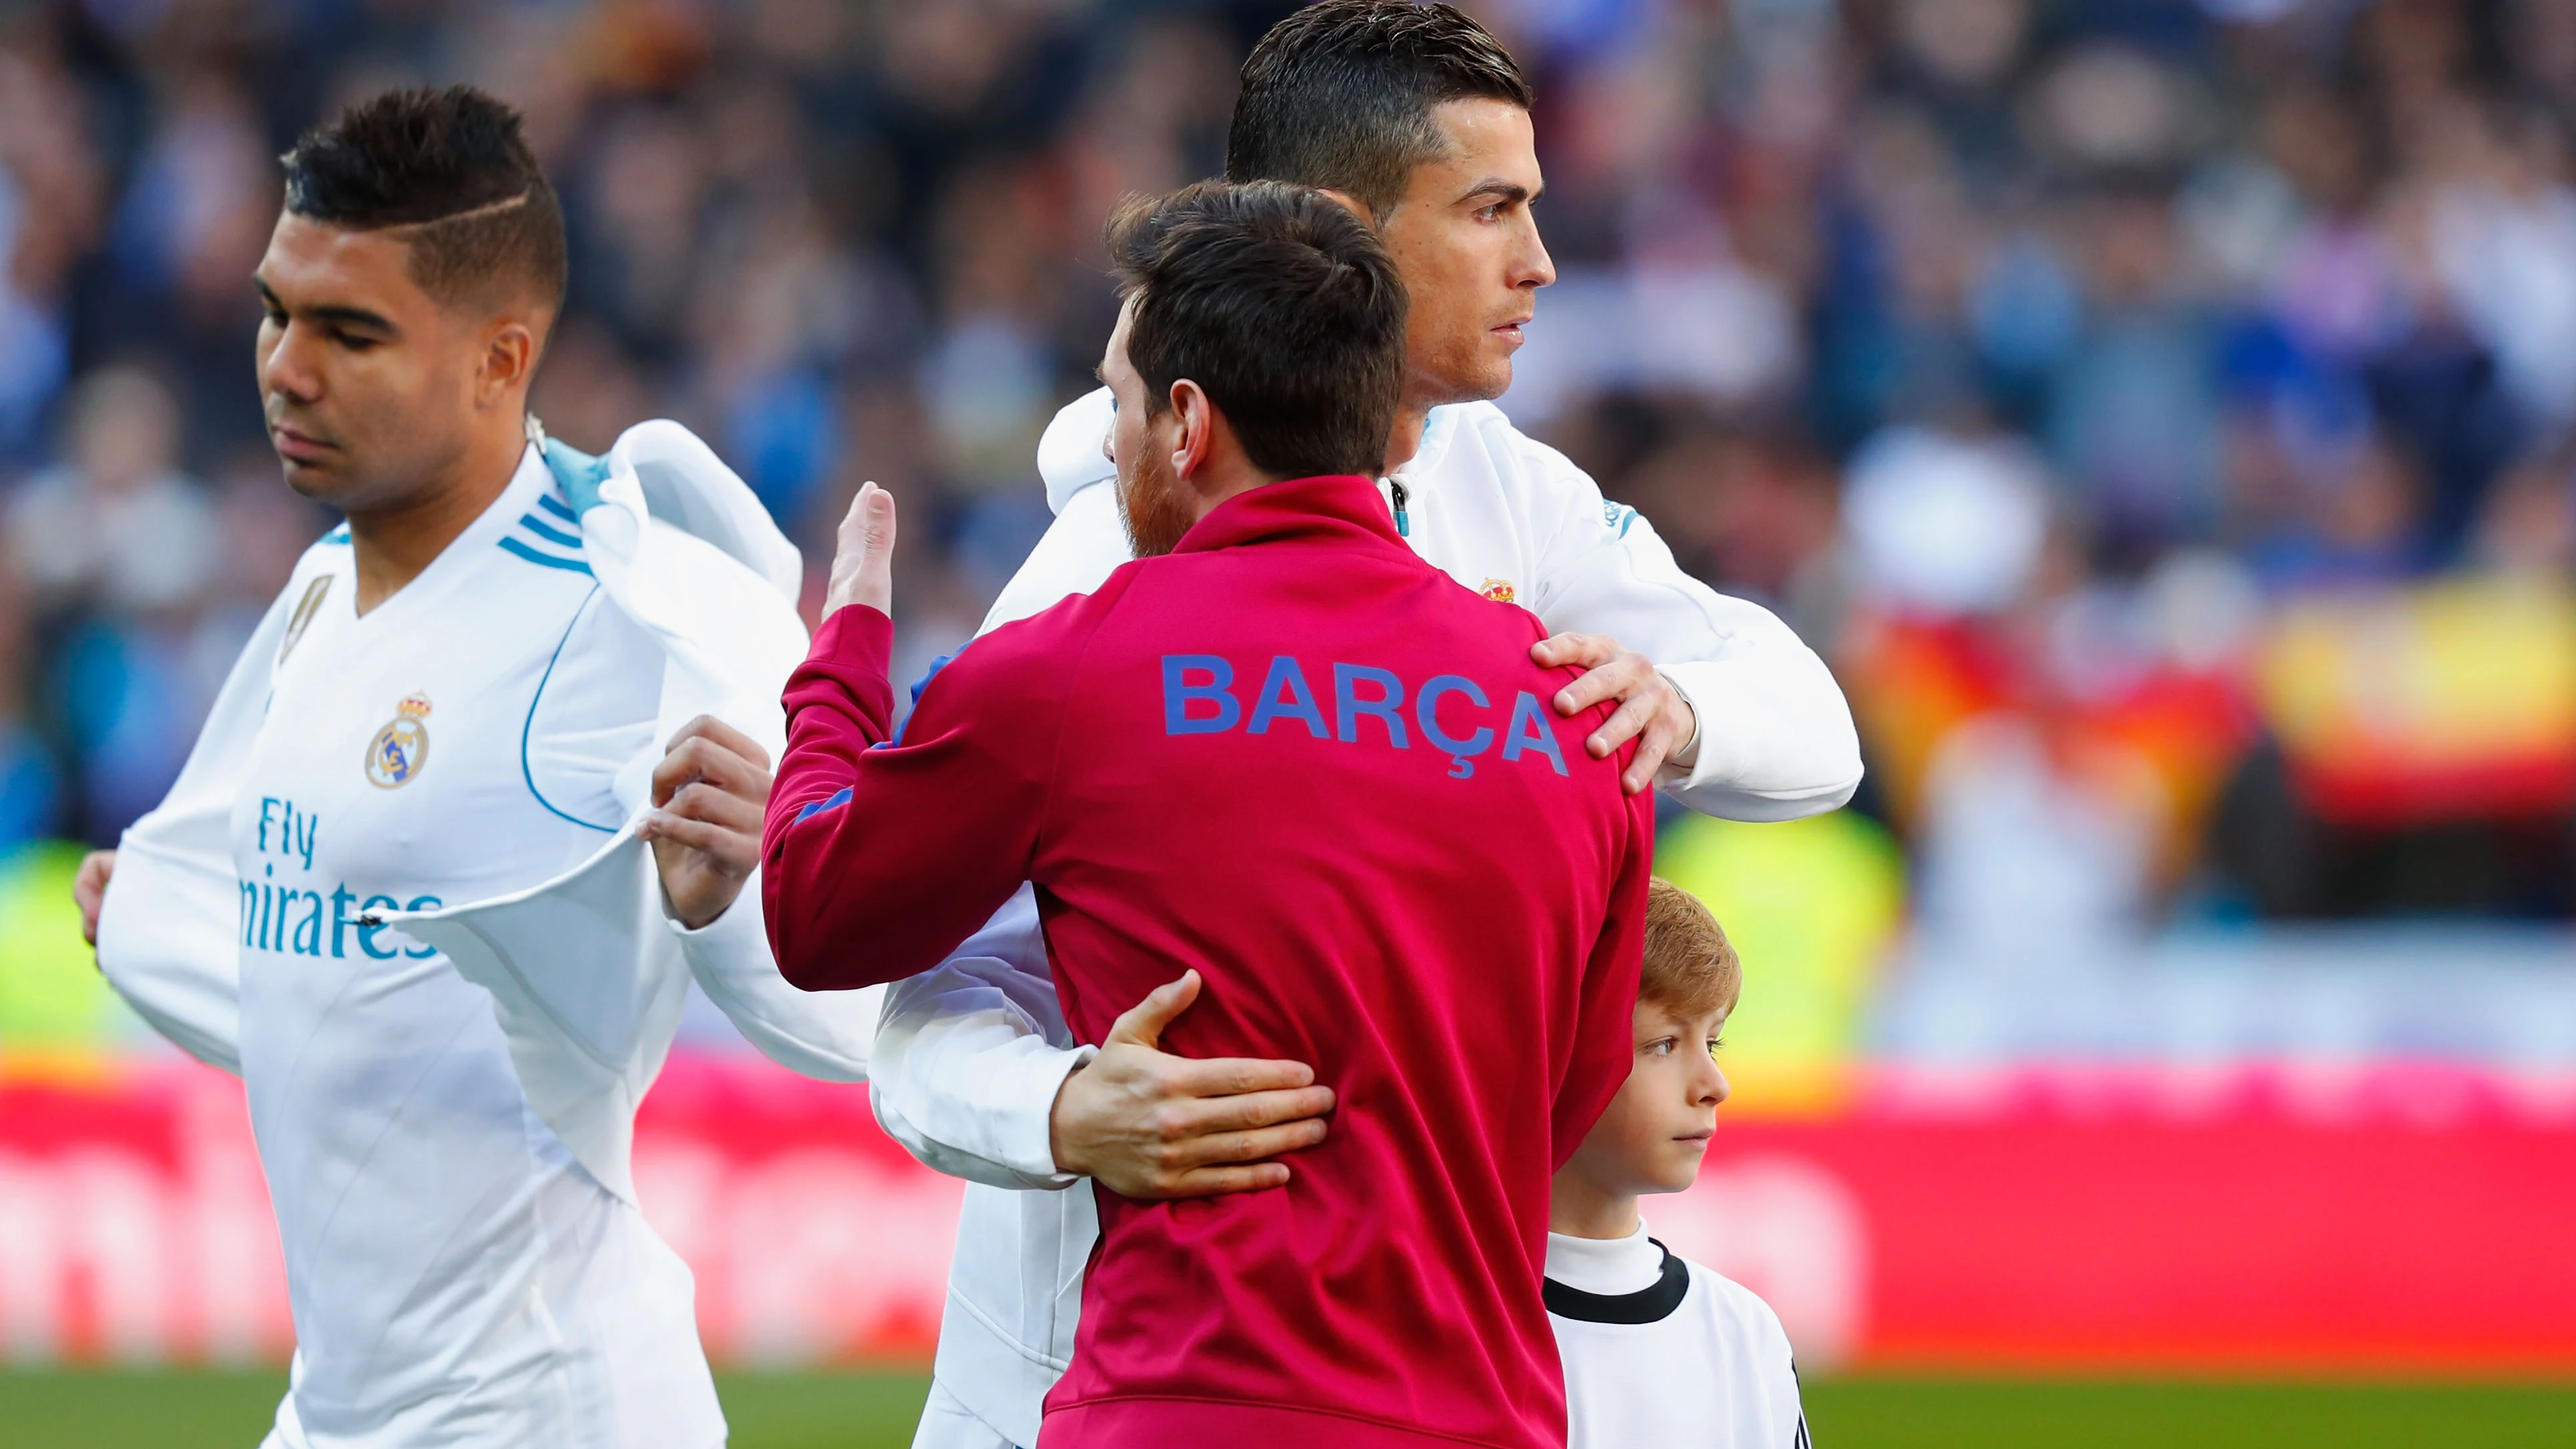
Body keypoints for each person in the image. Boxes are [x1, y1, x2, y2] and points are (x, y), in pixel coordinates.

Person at [865, 6, 1864, 1446]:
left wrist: (1681, 707)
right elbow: (917, 988)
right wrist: (1061, 1105)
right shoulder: (1106, 571)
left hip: (1408, 1378)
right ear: (1334, 234)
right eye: (1490, 211)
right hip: (1081, 1387)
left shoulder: (1506, 486)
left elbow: (1813, 729)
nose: (1540, 263)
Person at [765, 180, 1655, 1449]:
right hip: (1483, 1415)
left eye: (1120, 404)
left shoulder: (1072, 669)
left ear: (1187, 423)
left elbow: (815, 914)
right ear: (1385, 434)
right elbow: (1568, 1102)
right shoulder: (1577, 715)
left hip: (1186, 1405)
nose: (1116, 444)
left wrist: (844, 659)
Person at [69, 86, 878, 1448]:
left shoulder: (626, 601)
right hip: (332, 1410)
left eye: (352, 332)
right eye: (279, 312)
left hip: (552, 1403)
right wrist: (149, 915)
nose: (287, 366)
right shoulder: (323, 588)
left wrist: (732, 895)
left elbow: (834, 1002)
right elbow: (293, 936)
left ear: (501, 359)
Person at [1548, 878, 1812, 1449]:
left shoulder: (1745, 1334)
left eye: (1713, 1043)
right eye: (1665, 1044)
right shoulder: (1445, 1320)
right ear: (1554, 1048)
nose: (1715, 1084)